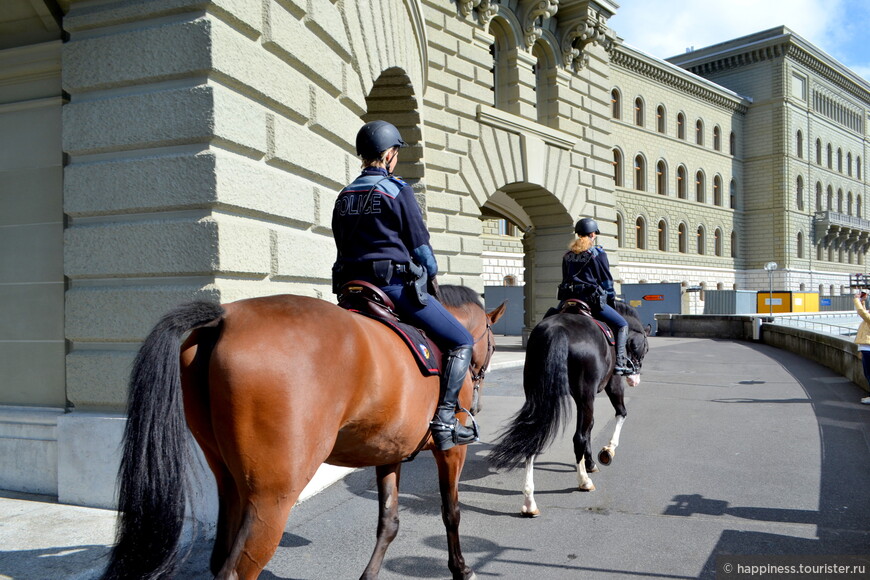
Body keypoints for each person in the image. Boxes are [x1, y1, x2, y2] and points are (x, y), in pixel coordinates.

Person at [331, 120, 478, 450]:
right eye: (396, 152)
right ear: (388, 154)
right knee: (462, 339)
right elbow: (422, 251)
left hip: (350, 290)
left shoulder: (344, 196)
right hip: (393, 289)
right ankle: (444, 422)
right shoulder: (397, 190)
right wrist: (431, 274)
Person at [558, 217, 634, 376]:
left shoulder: (567, 255)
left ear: (578, 234)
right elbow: (606, 281)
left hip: (568, 300)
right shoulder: (597, 254)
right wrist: (611, 300)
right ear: (593, 234)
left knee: (549, 318)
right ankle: (620, 362)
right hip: (590, 301)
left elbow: (565, 279)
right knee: (622, 324)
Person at [853, 291, 870, 404]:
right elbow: (864, 313)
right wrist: (862, 302)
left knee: (869, 374)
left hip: (868, 350)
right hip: (866, 349)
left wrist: (856, 300)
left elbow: (862, 313)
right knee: (868, 374)